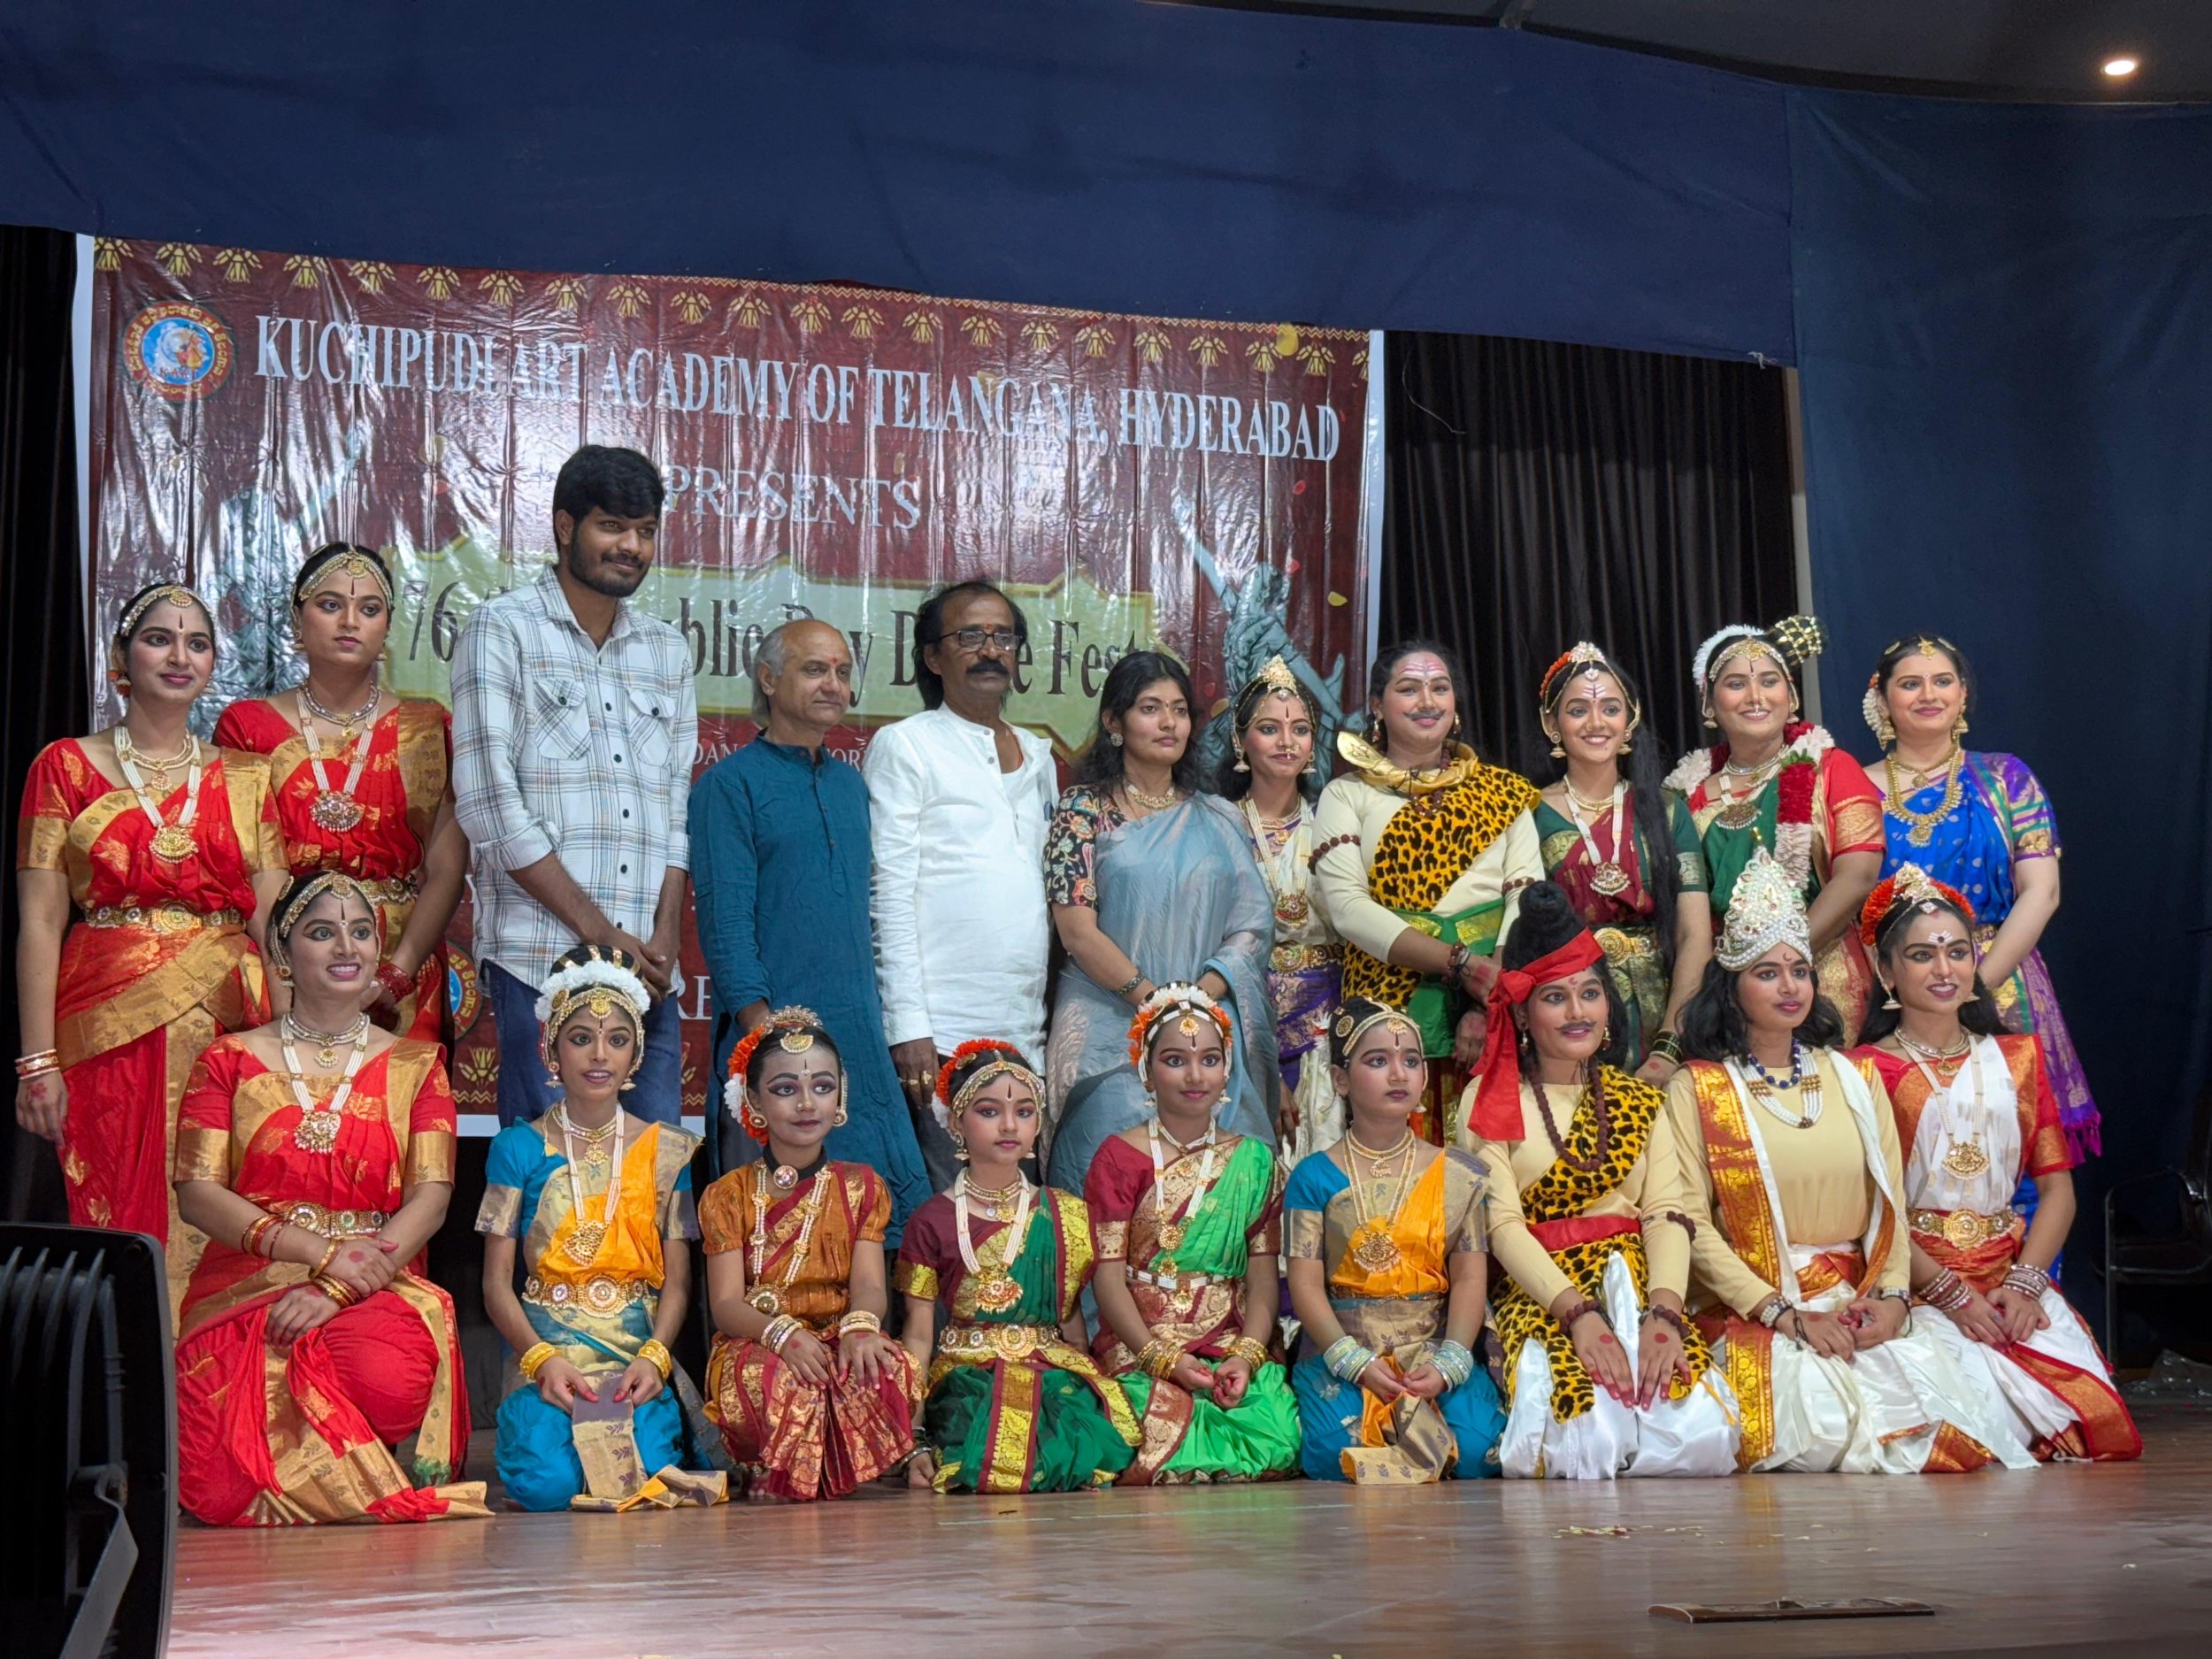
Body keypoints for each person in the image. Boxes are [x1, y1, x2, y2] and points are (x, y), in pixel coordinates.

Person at [1664, 847, 2035, 1473]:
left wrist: (1891, 1300)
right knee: (1821, 1426)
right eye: (1767, 972)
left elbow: (1888, 1205)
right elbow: (1690, 1225)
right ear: (1732, 988)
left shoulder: (1851, 1075)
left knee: (1962, 1410)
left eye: (1800, 970)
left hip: (1859, 1297)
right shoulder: (1698, 1087)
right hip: (1761, 1303)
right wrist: (1785, 1315)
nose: (1790, 987)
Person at [171, 872, 484, 1525]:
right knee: (212, 1473)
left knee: (384, 1375)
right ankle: (348, 1472)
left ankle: (336, 1466)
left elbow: (431, 1200)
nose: (348, 946)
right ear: (283, 956)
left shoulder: (417, 1065)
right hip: (247, 1282)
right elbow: (198, 1193)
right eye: (322, 931)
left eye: (361, 930)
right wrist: (320, 1255)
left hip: (375, 1280)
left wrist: (339, 1285)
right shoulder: (226, 1061)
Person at [14, 582, 288, 1309]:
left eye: (197, 642)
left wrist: (296, 1045)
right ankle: (124, 1399)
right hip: (104, 1025)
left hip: (223, 1022)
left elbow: (271, 925)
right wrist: (36, 1060)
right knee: (110, 1202)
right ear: (121, 659)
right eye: (160, 638)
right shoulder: (64, 766)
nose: (179, 655)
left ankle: (202, 1404)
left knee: (221, 1204)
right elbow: (40, 920)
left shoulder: (245, 776)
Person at [1849, 868, 2139, 1461]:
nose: (1944, 968)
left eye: (1958, 951)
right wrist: (1952, 1295)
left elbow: (2058, 1194)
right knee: (1961, 1431)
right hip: (1915, 1286)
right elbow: (1872, 1208)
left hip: (2009, 1285)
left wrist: (2027, 1287)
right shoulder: (1862, 1071)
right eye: (1922, 954)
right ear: (1885, 971)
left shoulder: (2019, 1058)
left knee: (2089, 1424)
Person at [1459, 881, 1739, 1479]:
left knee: (1701, 1437)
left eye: (1591, 993)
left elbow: (1666, 1210)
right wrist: (1577, 1315)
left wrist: (1663, 1316)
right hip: (1546, 1298)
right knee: (1579, 1441)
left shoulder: (1638, 1098)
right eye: (1556, 997)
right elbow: (1502, 1225)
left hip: (1639, 1293)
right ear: (1525, 1014)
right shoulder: (1488, 1100)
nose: (1578, 1011)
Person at [451, 445, 696, 1125]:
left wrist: (661, 936)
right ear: (565, 527)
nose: (631, 546)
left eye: (645, 530)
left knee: (650, 1183)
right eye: (612, 526)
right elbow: (489, 804)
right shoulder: (501, 629)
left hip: (648, 975)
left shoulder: (667, 651)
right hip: (541, 963)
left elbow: (676, 807)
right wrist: (599, 934)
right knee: (553, 1192)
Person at [689, 618, 929, 1226]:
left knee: (886, 1225)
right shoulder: (729, 785)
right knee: (780, 1234)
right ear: (768, 679)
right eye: (815, 668)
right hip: (776, 1048)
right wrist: (766, 1041)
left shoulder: (851, 786)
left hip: (860, 1044)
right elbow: (725, 924)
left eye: (844, 672)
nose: (834, 684)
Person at [477, 945, 707, 1510]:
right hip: (549, 1362)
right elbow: (494, 1283)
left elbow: (677, 1282)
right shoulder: (516, 1147)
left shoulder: (666, 1153)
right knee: (548, 1488)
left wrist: (654, 1357)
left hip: (633, 1361)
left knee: (648, 1480)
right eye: (581, 1038)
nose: (599, 1055)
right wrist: (539, 1360)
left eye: (617, 1039)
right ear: (550, 1049)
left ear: (636, 1054)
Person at [1041, 651, 1277, 1189]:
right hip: (1107, 1028)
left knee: (1214, 1192)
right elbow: (1077, 929)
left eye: (1178, 710)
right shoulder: (1082, 811)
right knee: (1107, 1182)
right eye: (1150, 708)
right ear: (1113, 722)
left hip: (1206, 1026)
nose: (1169, 723)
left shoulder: (1218, 816)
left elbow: (1251, 928)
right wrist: (1157, 1006)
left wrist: (1196, 1002)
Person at [213, 543, 465, 1043]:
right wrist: (285, 969)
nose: (350, 621)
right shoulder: (248, 727)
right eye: (330, 605)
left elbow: (446, 865)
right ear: (296, 620)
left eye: (369, 609)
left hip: (399, 969)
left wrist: (398, 971)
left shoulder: (426, 726)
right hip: (286, 961)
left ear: (388, 627)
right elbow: (250, 865)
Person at [1862, 634, 2098, 1162]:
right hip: (1894, 994)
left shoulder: (2006, 779)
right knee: (1913, 1151)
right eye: (1910, 683)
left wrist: (1973, 987)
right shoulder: (1853, 788)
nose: (1929, 694)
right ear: (1882, 700)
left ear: (1963, 694)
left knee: (2021, 1153)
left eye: (1943, 680)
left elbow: (2042, 892)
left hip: (2000, 982)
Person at [864, 581, 1058, 1186]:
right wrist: (909, 1027)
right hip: (941, 1032)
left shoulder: (1039, 755)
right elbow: (888, 893)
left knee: (1017, 1223)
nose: (990, 650)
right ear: (932, 657)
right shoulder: (907, 746)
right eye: (970, 636)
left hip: (1026, 1031)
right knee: (952, 1226)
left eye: (1003, 636)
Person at [1312, 641, 1542, 1145]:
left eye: (1440, 688)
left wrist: (1488, 999)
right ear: (1377, 705)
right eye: (1408, 688)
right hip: (1383, 1004)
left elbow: (1525, 897)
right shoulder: (1347, 794)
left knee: (1489, 1161)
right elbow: (1348, 910)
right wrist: (1463, 966)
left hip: (1494, 1005)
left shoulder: (1505, 793)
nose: (1427, 701)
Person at [699, 1008, 922, 1500]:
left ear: (840, 1094)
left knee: (890, 1367)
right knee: (766, 1379)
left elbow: (868, 1286)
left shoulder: (863, 1186)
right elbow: (727, 1304)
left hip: (836, 1335)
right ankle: (771, 1465)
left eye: (822, 1087)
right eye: (785, 1090)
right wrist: (785, 1337)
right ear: (753, 1101)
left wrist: (861, 1327)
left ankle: (811, 1465)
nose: (806, 1103)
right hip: (759, 1341)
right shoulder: (728, 1194)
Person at [896, 1041, 1140, 1492]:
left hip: (1049, 1364)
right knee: (979, 1437)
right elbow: (918, 1333)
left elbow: (1068, 1317)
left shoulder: (1065, 1212)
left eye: (1025, 1112)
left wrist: (1084, 1375)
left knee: (1081, 1432)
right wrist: (914, 1435)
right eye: (989, 1112)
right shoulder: (930, 1219)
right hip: (966, 1375)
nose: (1010, 1125)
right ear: (956, 1123)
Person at [1086, 984, 1301, 1483]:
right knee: (1134, 1430)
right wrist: (1162, 1358)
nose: (1195, 1075)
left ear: (1227, 1069)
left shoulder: (1254, 1162)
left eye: (1209, 1059)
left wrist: (1247, 1357)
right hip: (1141, 1341)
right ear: (1146, 1070)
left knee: (1278, 1434)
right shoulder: (1117, 1158)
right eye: (1175, 1060)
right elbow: (1108, 1282)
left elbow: (1264, 1282)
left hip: (1225, 1337)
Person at [1284, 997, 1504, 1483]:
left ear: (1426, 1077)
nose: (1398, 1074)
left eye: (1411, 1061)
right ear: (1341, 1081)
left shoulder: (1458, 1174)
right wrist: (1352, 1362)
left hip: (1434, 1343)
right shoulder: (1312, 1177)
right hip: (1345, 1349)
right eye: (1377, 1060)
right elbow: (1304, 1286)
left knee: (1474, 1453)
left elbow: (1470, 1276)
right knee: (1335, 1452)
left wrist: (1450, 1362)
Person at [1666, 618, 1883, 1042]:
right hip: (1720, 991)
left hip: (1825, 976)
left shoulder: (1832, 768)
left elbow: (1858, 877)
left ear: (1792, 695)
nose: (1755, 696)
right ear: (1709, 703)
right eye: (1735, 684)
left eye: (1770, 681)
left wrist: (1777, 964)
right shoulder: (1684, 795)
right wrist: (1734, 978)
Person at [1532, 643, 1710, 1080]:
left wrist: (1670, 1046)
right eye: (1577, 711)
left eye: (1610, 708)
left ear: (1630, 719)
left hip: (1667, 1019)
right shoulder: (1528, 813)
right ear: (1551, 723)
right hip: (1569, 1020)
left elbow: (1694, 933)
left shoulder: (1669, 810)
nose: (1596, 723)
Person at [1215, 654, 1344, 1165]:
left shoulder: (1336, 821)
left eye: (1300, 730)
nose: (1287, 742)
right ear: (1240, 742)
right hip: (1248, 1015)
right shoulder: (1217, 825)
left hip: (1327, 1026)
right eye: (1269, 729)